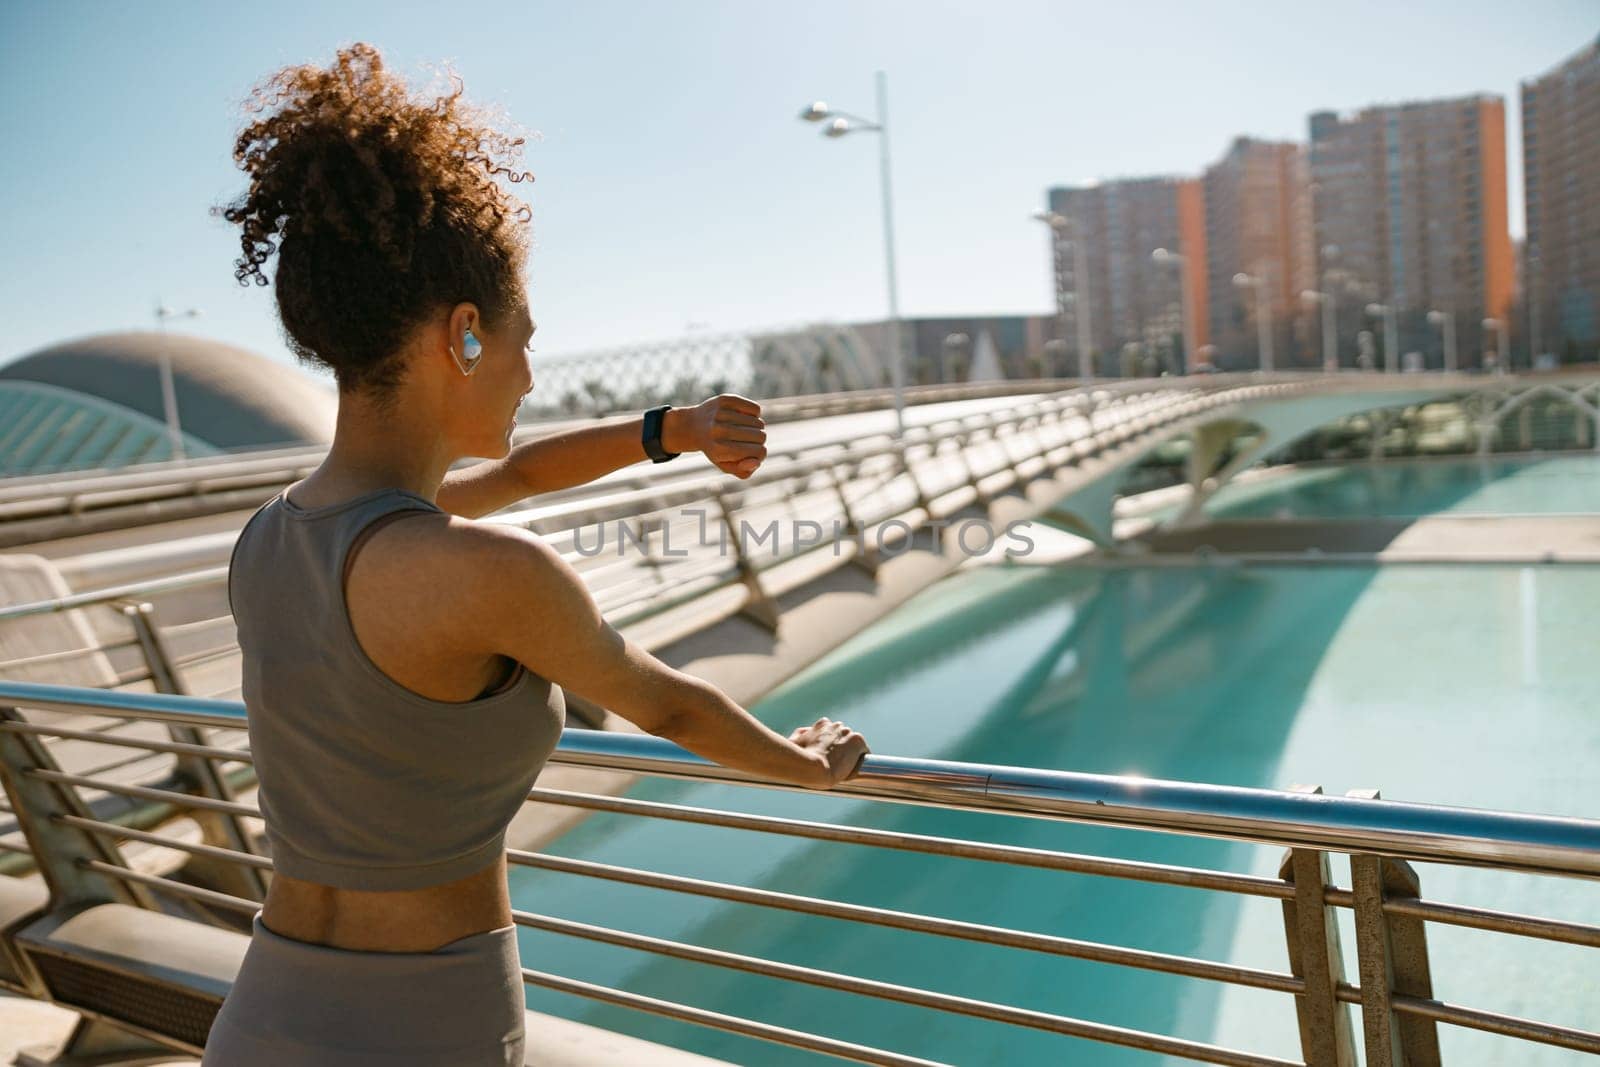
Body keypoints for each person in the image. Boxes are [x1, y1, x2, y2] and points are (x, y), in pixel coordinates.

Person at [203, 41, 869, 1066]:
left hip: (262, 1013)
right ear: (463, 336)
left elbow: (512, 475)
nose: (526, 374)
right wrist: (809, 766)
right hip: (429, 1022)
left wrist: (672, 428)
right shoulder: (489, 574)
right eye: (523, 341)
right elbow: (674, 706)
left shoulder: (270, 535)